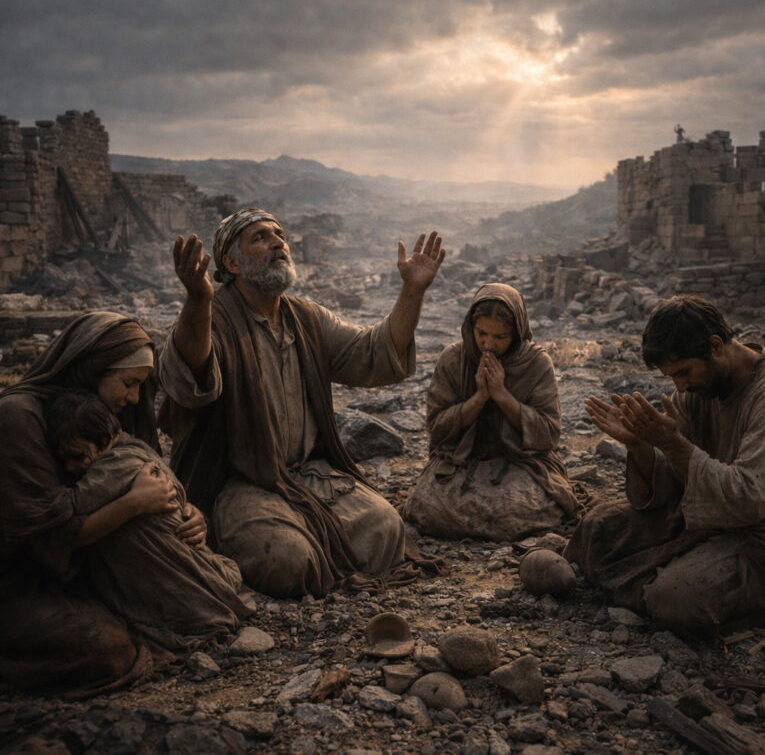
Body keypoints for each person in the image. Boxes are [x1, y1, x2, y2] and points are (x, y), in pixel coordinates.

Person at [159, 207, 445, 598]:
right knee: (288, 561)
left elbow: (374, 355)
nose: (278, 242)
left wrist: (412, 290)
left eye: (280, 235)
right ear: (231, 263)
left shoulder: (306, 319)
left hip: (308, 474)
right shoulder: (214, 319)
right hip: (242, 483)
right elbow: (190, 375)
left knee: (385, 529)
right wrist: (197, 300)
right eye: (260, 237)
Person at [0, 311, 208, 697]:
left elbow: (145, 477)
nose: (133, 398)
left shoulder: (94, 419)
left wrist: (183, 510)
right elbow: (47, 538)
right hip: (21, 580)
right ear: (92, 368)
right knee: (108, 651)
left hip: (82, 572)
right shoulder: (17, 418)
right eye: (128, 383)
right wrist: (135, 503)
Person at [566, 295, 765, 636]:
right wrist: (639, 444)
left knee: (674, 599)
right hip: (703, 517)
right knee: (596, 529)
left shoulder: (762, 396)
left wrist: (675, 444)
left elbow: (749, 499)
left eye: (683, 372)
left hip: (756, 534)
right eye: (671, 376)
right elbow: (673, 482)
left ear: (716, 346)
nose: (679, 387)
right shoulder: (699, 390)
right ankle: (668, 577)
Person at [45, 390, 254, 652]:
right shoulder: (140, 449)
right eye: (64, 460)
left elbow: (73, 505)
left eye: (78, 456)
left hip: (186, 579)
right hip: (207, 566)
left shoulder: (117, 465)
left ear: (105, 439)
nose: (71, 468)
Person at [404, 283, 578, 540]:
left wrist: (501, 395)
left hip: (521, 463)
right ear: (470, 327)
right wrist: (479, 398)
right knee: (427, 506)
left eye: (500, 337)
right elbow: (437, 428)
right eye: (482, 333)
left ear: (517, 332)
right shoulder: (454, 359)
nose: (488, 345)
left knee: (524, 507)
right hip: (461, 462)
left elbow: (548, 435)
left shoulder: (536, 363)